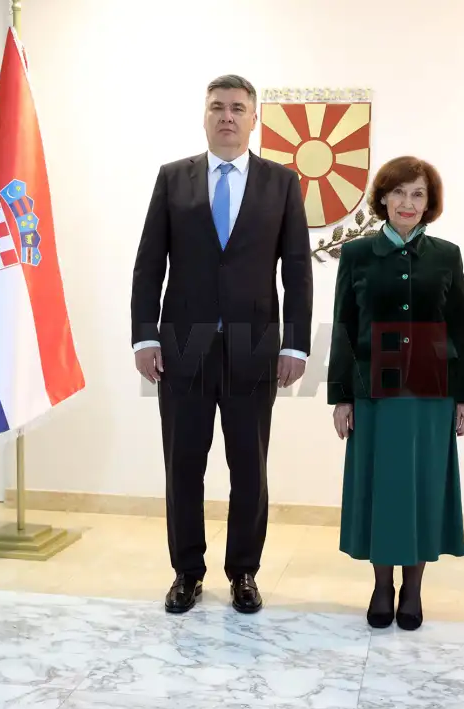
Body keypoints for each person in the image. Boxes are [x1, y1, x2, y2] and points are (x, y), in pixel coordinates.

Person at [130, 75, 313, 615]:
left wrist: (296, 345)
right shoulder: (173, 179)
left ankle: (244, 572)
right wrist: (144, 334)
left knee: (249, 467)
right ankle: (186, 571)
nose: (227, 116)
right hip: (181, 346)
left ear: (254, 119)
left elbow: (297, 270)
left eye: (237, 108)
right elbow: (149, 264)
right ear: (204, 116)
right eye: (217, 107)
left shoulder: (282, 183)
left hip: (254, 346)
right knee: (183, 463)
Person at [327, 156, 464, 631]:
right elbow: (344, 326)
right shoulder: (356, 254)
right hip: (374, 391)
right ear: (383, 199)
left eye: (417, 194)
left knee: (422, 489)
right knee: (383, 489)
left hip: (432, 391)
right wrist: (341, 397)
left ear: (429, 202)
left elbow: (461, 326)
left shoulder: (447, 255)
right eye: (398, 192)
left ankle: (413, 589)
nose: (407, 203)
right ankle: (381, 586)